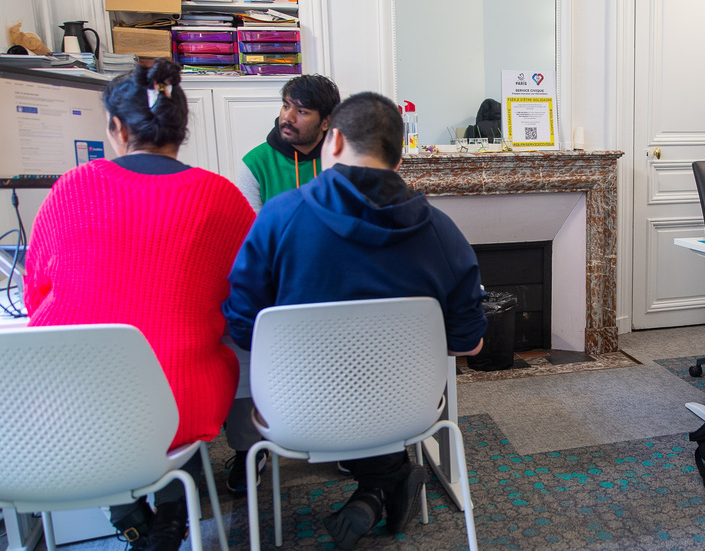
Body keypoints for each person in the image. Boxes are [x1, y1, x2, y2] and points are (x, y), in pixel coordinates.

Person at [223, 91, 487, 549]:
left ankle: (380, 487)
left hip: (296, 410)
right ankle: (382, 483)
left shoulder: (279, 218)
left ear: (335, 139)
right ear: (400, 158)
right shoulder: (442, 231)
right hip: (407, 410)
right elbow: (469, 344)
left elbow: (245, 327)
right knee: (379, 386)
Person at [22, 59, 255, 550]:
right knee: (173, 386)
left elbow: (34, 297)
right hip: (183, 401)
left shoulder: (70, 188)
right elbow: (243, 301)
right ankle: (172, 515)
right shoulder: (221, 196)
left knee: (122, 401)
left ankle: (129, 514)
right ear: (183, 129)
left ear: (117, 127)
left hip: (77, 402)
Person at [235, 74, 341, 211]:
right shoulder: (255, 164)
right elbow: (252, 229)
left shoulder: (343, 161)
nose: (287, 117)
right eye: (286, 106)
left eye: (302, 111)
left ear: (326, 122)